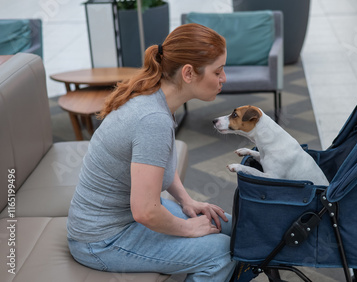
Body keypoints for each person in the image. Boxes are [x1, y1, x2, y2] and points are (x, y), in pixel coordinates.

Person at [67, 23, 237, 281]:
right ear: (188, 73)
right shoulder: (152, 119)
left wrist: (186, 201)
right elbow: (145, 211)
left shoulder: (158, 96)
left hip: (126, 220)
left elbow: (159, 162)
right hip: (101, 240)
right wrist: (188, 229)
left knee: (232, 225)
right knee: (221, 252)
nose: (224, 78)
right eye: (218, 71)